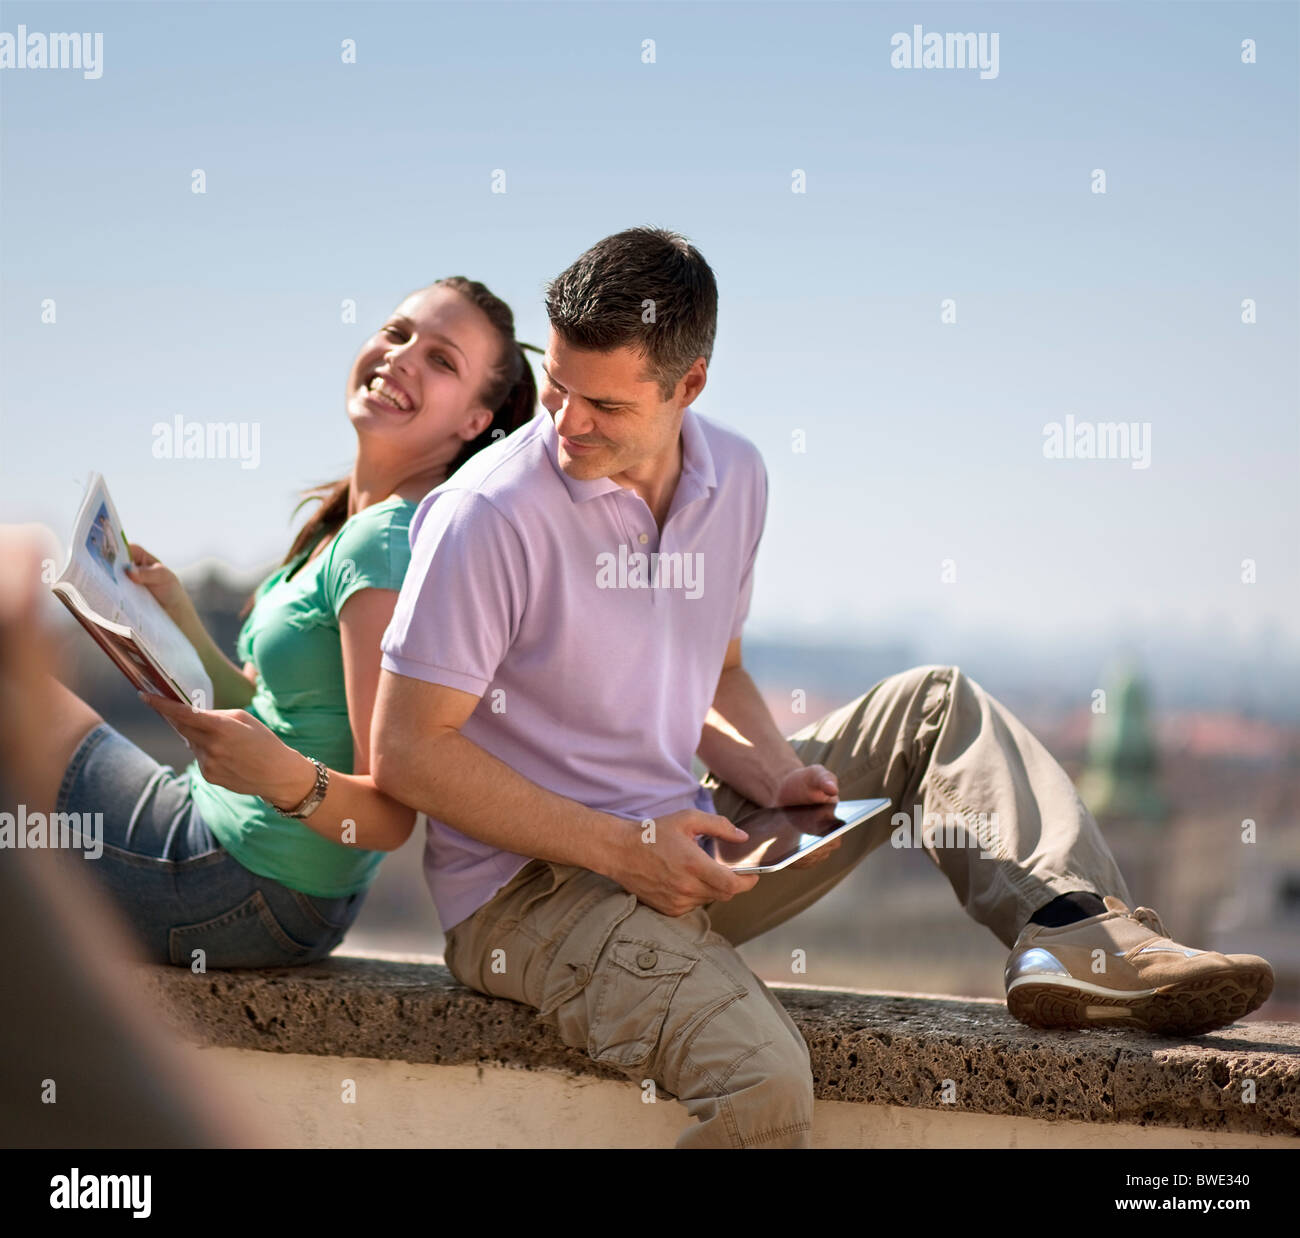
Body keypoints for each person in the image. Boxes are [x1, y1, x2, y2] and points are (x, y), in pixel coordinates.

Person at [371, 228, 1274, 1149]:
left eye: (602, 401)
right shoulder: (488, 515)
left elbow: (711, 672)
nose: (566, 423)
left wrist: (770, 771)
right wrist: (622, 846)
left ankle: (1082, 942)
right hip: (529, 899)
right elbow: (406, 753)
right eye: (557, 388)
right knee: (763, 1081)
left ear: (691, 386)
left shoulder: (738, 479)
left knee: (935, 704)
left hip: (685, 844)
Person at [33, 277, 538, 969]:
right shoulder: (353, 528)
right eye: (397, 332)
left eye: (443, 360)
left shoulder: (381, 544)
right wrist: (177, 617)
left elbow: (390, 815)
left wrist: (285, 780)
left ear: (475, 422)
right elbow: (280, 712)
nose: (402, 357)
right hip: (269, 889)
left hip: (228, 883)